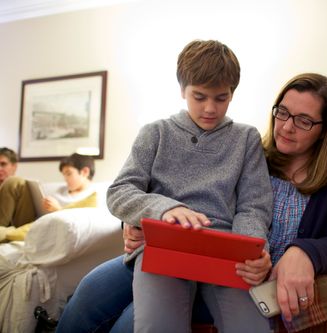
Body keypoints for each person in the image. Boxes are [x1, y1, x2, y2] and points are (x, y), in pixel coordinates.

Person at [56, 72, 327, 332]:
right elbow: (142, 191)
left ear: (325, 129)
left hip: (237, 269)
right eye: (282, 112)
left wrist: (302, 252)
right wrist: (132, 223)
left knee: (128, 323)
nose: (287, 126)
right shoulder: (258, 153)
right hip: (174, 248)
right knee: (86, 295)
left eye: (304, 121)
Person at [59, 40, 274, 333]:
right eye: (199, 97)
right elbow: (120, 192)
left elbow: (254, 205)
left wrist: (249, 250)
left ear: (232, 94)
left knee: (252, 327)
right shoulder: (156, 133)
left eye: (221, 98)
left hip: (223, 254)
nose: (210, 108)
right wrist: (164, 208)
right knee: (148, 322)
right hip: (162, 247)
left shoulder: (246, 139)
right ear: (182, 90)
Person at [0, 152, 96, 228]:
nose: (65, 178)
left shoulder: (93, 196)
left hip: (48, 225)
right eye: (64, 175)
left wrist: (58, 210)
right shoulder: (60, 189)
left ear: (84, 172)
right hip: (34, 218)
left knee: (12, 180)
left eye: (68, 173)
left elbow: (82, 224)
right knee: (15, 182)